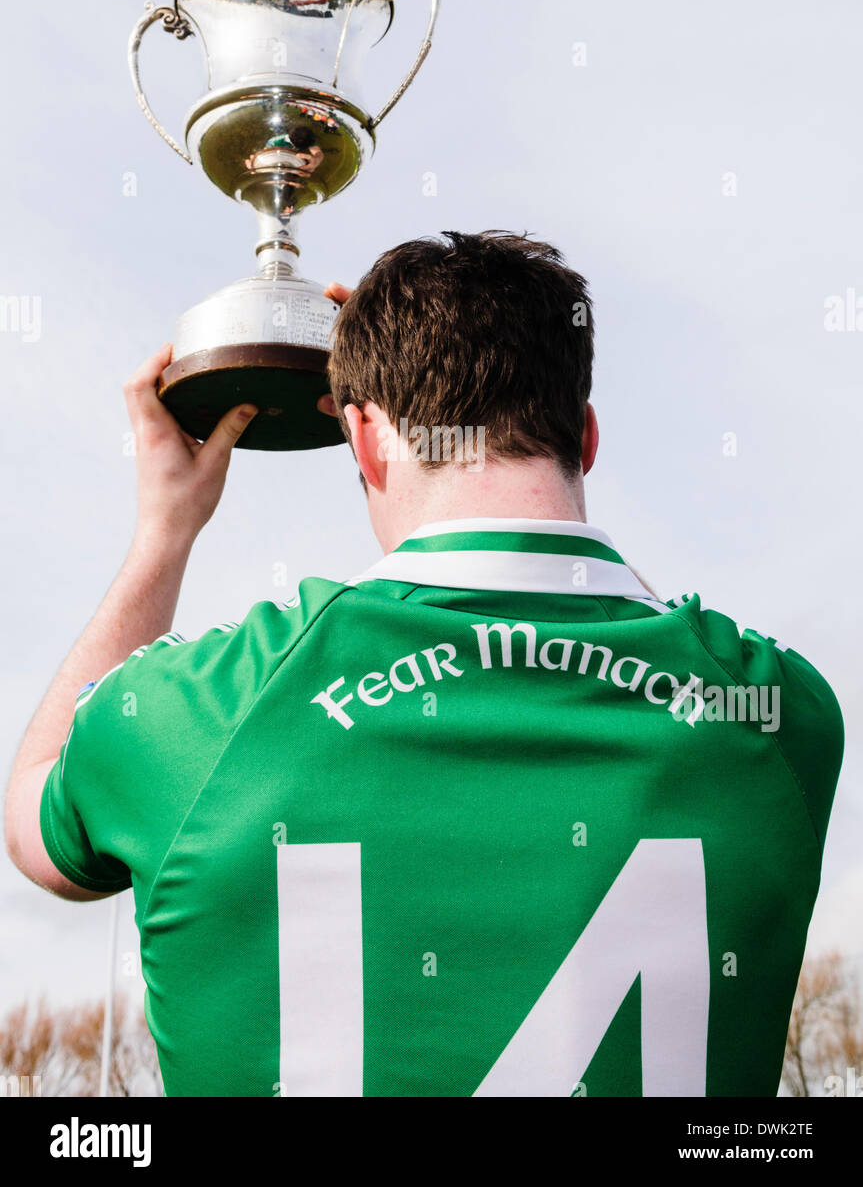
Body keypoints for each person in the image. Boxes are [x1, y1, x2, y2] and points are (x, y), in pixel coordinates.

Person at [4, 230, 843, 1097]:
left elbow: (32, 816)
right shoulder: (779, 722)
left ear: (361, 440)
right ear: (586, 438)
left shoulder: (190, 714)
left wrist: (163, 533)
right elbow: (670, 639)